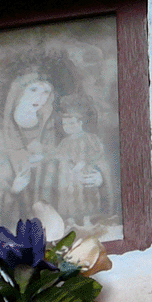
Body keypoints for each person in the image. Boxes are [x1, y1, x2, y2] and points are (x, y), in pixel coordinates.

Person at [0, 49, 77, 259]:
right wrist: (12, 191)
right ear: (17, 93)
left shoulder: (56, 135)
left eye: (46, 92)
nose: (40, 97)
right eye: (33, 89)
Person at [53, 93, 110, 229]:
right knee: (69, 196)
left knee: (86, 196)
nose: (68, 126)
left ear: (80, 122)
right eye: (65, 124)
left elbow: (96, 152)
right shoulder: (65, 142)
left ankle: (87, 220)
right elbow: (58, 155)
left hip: (84, 172)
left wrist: (83, 163)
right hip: (68, 175)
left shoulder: (90, 138)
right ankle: (71, 220)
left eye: (72, 123)